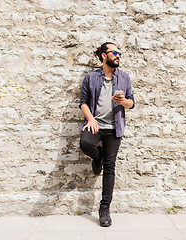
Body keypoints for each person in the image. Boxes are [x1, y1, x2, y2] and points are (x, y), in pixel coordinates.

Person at [79, 42, 135, 227]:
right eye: (115, 52)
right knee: (86, 143)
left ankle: (104, 209)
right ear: (104, 55)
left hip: (114, 128)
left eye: (119, 52)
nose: (118, 55)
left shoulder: (124, 78)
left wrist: (123, 101)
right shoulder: (91, 77)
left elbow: (131, 104)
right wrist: (91, 120)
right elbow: (83, 102)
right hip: (96, 124)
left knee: (110, 167)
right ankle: (98, 156)